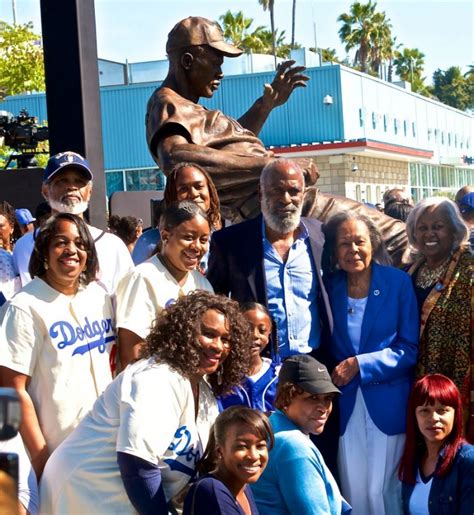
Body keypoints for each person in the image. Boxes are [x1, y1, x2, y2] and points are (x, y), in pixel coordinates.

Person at [145, 16, 409, 266]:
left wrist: (265, 105)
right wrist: (276, 169)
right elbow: (175, 156)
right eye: (215, 62)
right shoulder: (166, 102)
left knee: (392, 244)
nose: (221, 72)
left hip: (290, 201)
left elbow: (226, 146)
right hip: (285, 205)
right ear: (188, 60)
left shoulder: (193, 109)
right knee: (399, 238)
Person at [39, 291, 252, 515]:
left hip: (123, 501)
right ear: (184, 334)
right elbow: (137, 464)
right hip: (82, 493)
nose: (218, 346)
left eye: (226, 339)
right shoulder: (158, 377)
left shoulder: (204, 394)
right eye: (209, 334)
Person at [0, 213, 116, 478]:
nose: (72, 250)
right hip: (61, 455)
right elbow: (13, 390)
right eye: (61, 242)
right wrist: (43, 463)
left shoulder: (99, 297)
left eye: (79, 243)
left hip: (108, 447)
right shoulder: (24, 306)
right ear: (44, 252)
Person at [322, 211, 419, 515]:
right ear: (334, 251)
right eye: (344, 244)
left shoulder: (398, 282)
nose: (353, 250)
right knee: (352, 487)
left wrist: (360, 364)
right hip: (346, 403)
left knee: (384, 490)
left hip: (387, 402)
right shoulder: (329, 286)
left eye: (359, 241)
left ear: (373, 243)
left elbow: (408, 348)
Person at [208, 159, 333, 361]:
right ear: (261, 193)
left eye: (293, 191)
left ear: (304, 194)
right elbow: (215, 303)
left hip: (315, 366)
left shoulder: (322, 236)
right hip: (258, 368)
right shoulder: (230, 244)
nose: (286, 199)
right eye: (276, 190)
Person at [12, 151, 133, 294]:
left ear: (89, 191)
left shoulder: (113, 246)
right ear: (45, 191)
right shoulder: (23, 246)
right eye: (62, 181)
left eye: (79, 181)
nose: (72, 187)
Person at [405, 197, 473, 442]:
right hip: (416, 383)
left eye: (438, 226)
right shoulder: (410, 271)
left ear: (454, 229)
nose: (429, 233)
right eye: (422, 228)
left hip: (458, 384)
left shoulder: (469, 270)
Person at [116, 200, 214, 369]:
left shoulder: (203, 284)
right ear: (165, 236)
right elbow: (131, 353)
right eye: (188, 238)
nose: (197, 246)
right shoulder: (142, 278)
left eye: (203, 239)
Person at [252, 355, 350, 514]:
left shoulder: (273, 423)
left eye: (328, 398)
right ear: (285, 398)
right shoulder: (294, 446)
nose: (323, 408)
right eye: (313, 398)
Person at [399, 374, 474, 514]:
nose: (433, 418)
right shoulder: (412, 459)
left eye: (442, 410)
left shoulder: (468, 461)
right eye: (425, 411)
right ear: (414, 416)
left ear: (456, 414)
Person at [184, 406, 273, 514]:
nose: (254, 456)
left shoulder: (243, 486)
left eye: (260, 446)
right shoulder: (212, 489)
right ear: (219, 451)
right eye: (242, 446)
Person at [220, 303, 280, 413]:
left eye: (262, 331)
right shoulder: (221, 374)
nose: (255, 335)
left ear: (269, 334)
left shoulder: (278, 375)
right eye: (247, 328)